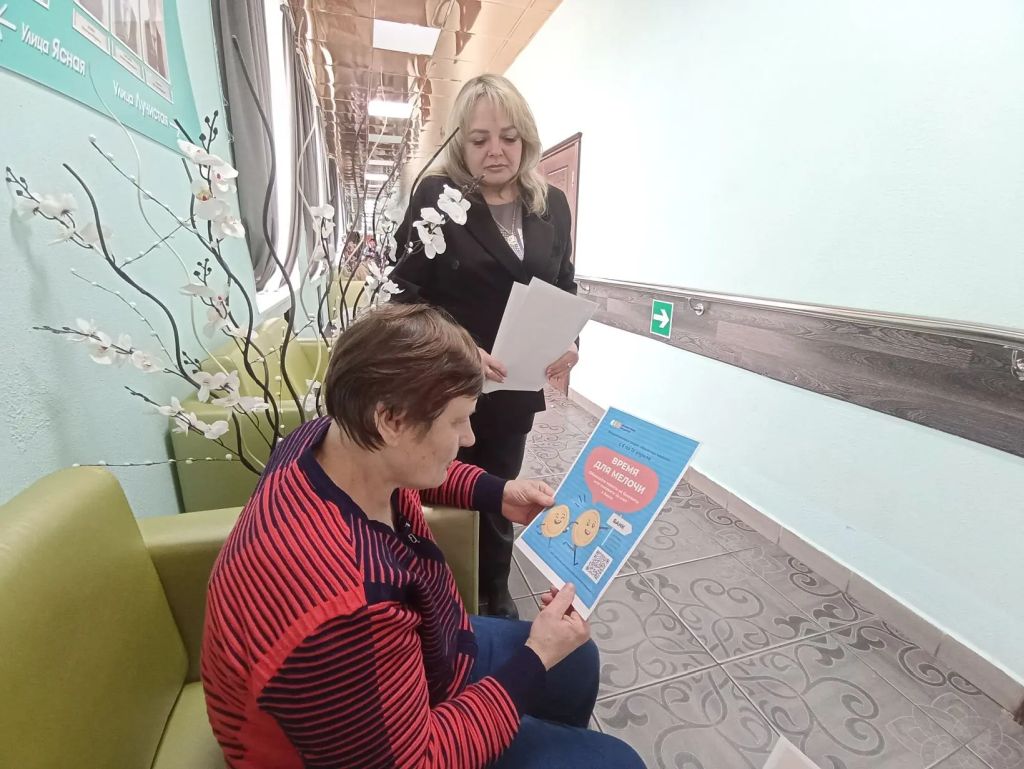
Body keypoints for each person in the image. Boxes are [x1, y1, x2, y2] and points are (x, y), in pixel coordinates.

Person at [201, 304, 644, 769]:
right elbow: (417, 760)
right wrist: (534, 659)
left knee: (576, 659)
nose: (469, 438)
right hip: (362, 746)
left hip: (417, 654)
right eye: (456, 421)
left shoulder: (327, 441)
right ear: (391, 420)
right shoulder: (344, 608)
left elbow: (410, 470)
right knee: (616, 761)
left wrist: (498, 493)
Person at [391, 74, 579, 619]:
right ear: (460, 143)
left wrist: (568, 338)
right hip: (446, 384)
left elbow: (564, 283)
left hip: (514, 388)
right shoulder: (438, 198)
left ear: (526, 140)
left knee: (499, 493)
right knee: (437, 491)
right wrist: (457, 347)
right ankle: (437, 596)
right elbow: (404, 295)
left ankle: (494, 591)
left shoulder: (551, 205)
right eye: (479, 139)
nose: (496, 150)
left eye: (508, 137)